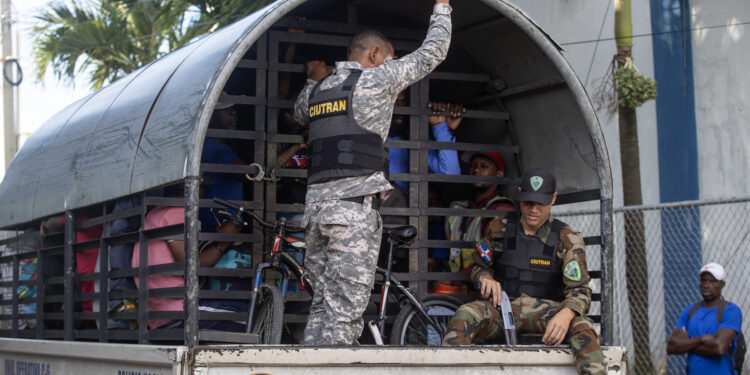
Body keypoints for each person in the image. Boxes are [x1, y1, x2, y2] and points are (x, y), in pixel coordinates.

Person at [292, 0, 452, 345]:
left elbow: (300, 114)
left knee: (322, 306)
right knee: (345, 314)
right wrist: (441, 8)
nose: (391, 65)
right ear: (376, 54)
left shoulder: (318, 90)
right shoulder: (377, 79)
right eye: (390, 58)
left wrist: (310, 80)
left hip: (316, 215)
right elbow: (432, 52)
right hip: (352, 212)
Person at [442, 168, 607, 375]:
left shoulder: (567, 238)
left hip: (547, 313)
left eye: (541, 203)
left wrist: (567, 313)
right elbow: (478, 266)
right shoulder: (500, 227)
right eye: (528, 202)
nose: (533, 210)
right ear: (519, 195)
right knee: (465, 314)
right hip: (503, 309)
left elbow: (581, 290)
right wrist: (485, 277)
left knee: (583, 327)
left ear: (553, 199)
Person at [131, 203, 245, 331]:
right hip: (179, 311)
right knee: (248, 316)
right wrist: (223, 242)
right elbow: (191, 265)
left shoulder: (156, 213)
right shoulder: (176, 212)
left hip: (159, 315)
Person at [445, 151, 514, 274]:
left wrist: (455, 280)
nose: (476, 170)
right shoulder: (458, 208)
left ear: (499, 174)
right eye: (473, 166)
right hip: (458, 285)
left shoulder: (501, 209)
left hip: (483, 283)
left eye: (484, 166)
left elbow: (493, 256)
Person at [667, 263, 743, 375]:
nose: (706, 285)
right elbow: (671, 347)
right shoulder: (689, 311)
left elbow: (719, 347)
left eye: (712, 281)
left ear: (722, 284)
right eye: (703, 280)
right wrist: (702, 339)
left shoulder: (730, 310)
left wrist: (686, 343)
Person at [389, 95, 464, 195]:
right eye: (393, 100)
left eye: (404, 100)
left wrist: (440, 127)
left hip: (402, 209)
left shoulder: (416, 144)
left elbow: (450, 173)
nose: (400, 106)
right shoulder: (368, 139)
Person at [200, 92, 246, 231]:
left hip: (207, 222)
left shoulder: (201, 146)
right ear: (211, 115)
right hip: (222, 225)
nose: (233, 113)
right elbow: (243, 173)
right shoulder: (220, 150)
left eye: (233, 109)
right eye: (226, 110)